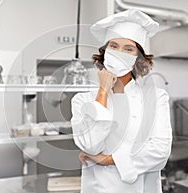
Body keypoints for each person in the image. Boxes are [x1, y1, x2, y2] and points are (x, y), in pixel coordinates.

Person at [70, 9, 172, 193]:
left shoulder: (155, 98)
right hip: (97, 188)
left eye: (128, 49)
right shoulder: (82, 99)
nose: (119, 53)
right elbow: (90, 144)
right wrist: (102, 90)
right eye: (114, 46)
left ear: (137, 58)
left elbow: (160, 150)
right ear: (104, 51)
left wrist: (108, 159)